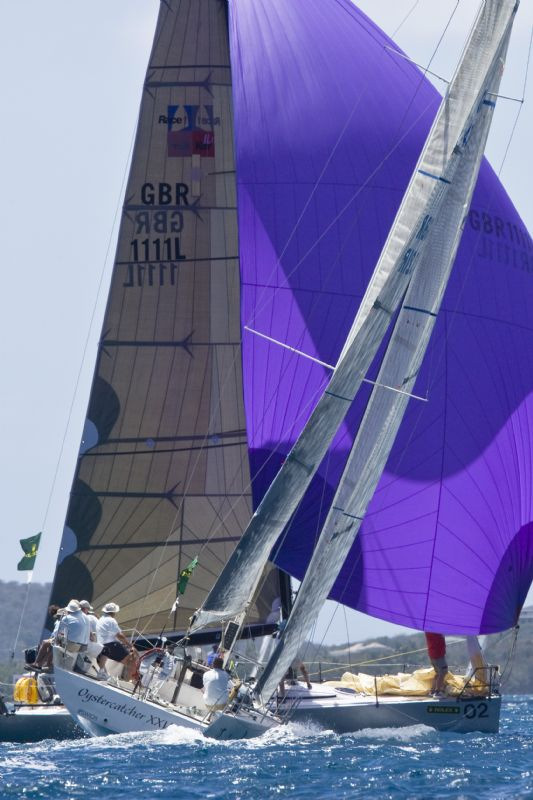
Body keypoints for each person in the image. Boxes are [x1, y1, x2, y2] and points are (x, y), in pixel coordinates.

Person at [96, 602, 137, 681]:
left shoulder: (101, 619)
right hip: (110, 646)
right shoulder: (111, 620)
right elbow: (120, 636)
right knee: (132, 658)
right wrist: (130, 646)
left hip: (101, 645)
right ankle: (129, 681)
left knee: (127, 656)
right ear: (114, 612)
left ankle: (106, 674)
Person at [33, 605, 63, 669]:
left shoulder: (61, 621)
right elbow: (55, 633)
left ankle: (38, 663)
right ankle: (47, 663)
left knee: (46, 644)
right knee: (48, 646)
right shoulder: (58, 621)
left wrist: (51, 638)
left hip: (59, 639)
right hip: (56, 638)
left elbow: (58, 632)